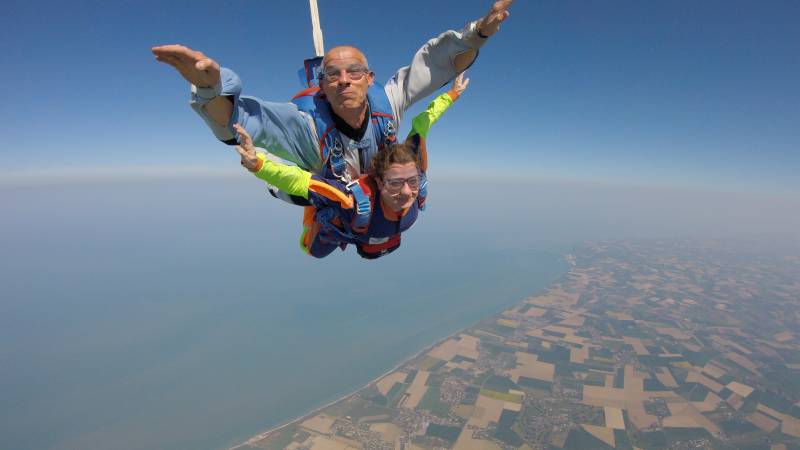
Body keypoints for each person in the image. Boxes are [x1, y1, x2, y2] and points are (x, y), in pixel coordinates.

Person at [151, 1, 511, 204]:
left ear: (370, 78)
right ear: (321, 84)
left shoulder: (387, 102)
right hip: (325, 194)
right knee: (314, 206)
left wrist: (477, 34)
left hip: (375, 197)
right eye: (332, 74)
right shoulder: (303, 124)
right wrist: (210, 87)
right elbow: (234, 122)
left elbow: (432, 67)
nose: (343, 80)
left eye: (354, 72)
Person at [233, 74, 469, 259]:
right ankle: (302, 189)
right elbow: (302, 182)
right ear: (378, 182)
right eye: (396, 183)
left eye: (412, 181)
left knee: (315, 243)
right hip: (346, 219)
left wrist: (452, 94)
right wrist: (259, 165)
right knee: (309, 241)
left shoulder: (417, 183)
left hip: (353, 228)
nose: (407, 192)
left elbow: (422, 125)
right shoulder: (351, 200)